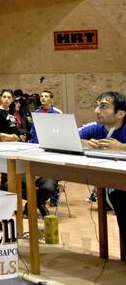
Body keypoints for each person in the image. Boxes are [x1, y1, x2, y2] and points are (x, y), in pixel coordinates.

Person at [0, 90, 55, 217]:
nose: (6, 99)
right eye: (4, 97)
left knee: (47, 185)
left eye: (9, 97)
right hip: (7, 148)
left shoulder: (11, 113)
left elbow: (16, 129)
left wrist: (22, 134)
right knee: (7, 180)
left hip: (39, 152)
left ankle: (35, 203)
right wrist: (10, 137)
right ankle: (5, 207)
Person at [78, 91, 126, 245]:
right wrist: (84, 143)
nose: (97, 111)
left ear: (121, 114)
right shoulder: (96, 128)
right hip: (118, 186)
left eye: (103, 107)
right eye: (96, 106)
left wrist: (122, 148)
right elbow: (69, 136)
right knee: (118, 197)